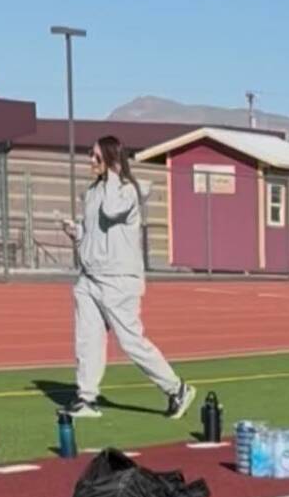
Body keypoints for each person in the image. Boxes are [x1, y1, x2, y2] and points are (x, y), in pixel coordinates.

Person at [62, 136, 195, 420]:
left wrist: (113, 173)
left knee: (132, 342)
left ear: (110, 160)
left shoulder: (126, 191)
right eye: (90, 155)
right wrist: (77, 234)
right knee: (87, 339)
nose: (90, 162)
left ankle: (177, 389)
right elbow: (94, 231)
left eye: (97, 157)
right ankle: (86, 398)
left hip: (119, 281)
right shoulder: (93, 191)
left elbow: (111, 211)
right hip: (89, 278)